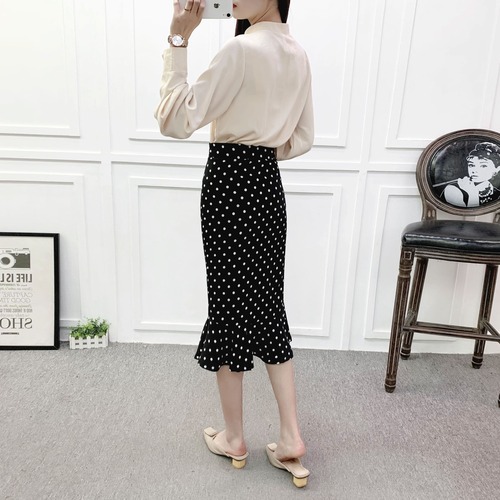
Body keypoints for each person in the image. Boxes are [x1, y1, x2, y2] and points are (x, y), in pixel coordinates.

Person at [155, 0, 314, 487]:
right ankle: (291, 437)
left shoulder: (240, 50)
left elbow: (174, 120)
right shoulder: (298, 54)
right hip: (267, 184)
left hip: (229, 180)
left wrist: (178, 39)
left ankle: (235, 437)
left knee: (228, 306)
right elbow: (302, 138)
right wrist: (263, 142)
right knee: (268, 305)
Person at [442, 142, 500, 207]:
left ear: (497, 169)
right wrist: (472, 193)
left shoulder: (497, 193)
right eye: (471, 165)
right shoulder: (453, 190)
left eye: (483, 166)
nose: (474, 170)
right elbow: (468, 213)